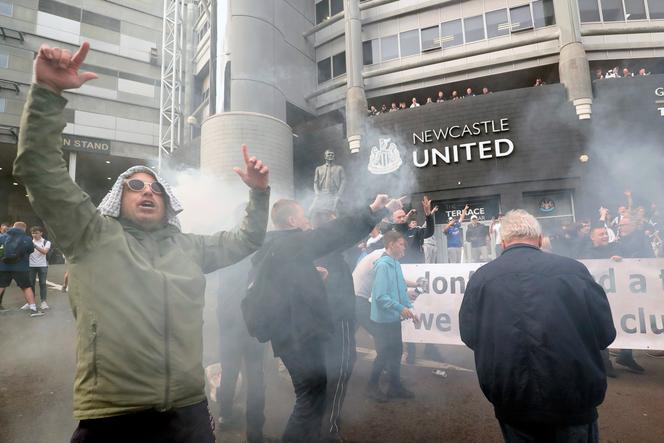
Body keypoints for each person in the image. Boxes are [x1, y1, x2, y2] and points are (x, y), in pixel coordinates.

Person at [15, 42, 271, 443]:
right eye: (134, 185)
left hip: (189, 411)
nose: (147, 192)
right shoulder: (93, 235)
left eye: (156, 188)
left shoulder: (187, 247)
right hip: (115, 416)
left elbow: (247, 239)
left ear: (167, 202)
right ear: (120, 198)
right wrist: (48, 94)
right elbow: (38, 169)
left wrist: (258, 194)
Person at [251, 195, 400, 443]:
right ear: (291, 221)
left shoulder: (276, 246)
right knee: (309, 398)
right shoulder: (290, 243)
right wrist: (373, 209)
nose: (307, 221)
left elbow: (281, 285)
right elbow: (333, 234)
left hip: (293, 332)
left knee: (315, 392)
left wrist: (311, 279)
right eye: (302, 216)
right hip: (295, 335)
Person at [459, 210, 616, 443]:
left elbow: (470, 335)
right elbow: (605, 333)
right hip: (572, 396)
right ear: (540, 240)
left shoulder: (482, 278)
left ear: (502, 243)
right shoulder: (573, 270)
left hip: (512, 397)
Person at [312, 210, 357, 443]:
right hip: (338, 322)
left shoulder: (318, 250)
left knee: (325, 373)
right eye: (333, 220)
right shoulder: (328, 251)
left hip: (325, 322)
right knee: (341, 370)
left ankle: (320, 421)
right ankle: (329, 429)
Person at [215, 255, 269, 443]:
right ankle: (255, 434)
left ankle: (225, 416)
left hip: (229, 328)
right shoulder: (255, 263)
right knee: (255, 376)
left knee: (229, 371)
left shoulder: (225, 266)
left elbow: (220, 302)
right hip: (251, 328)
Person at [367, 231, 418, 402]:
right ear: (390, 244)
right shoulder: (383, 265)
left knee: (396, 353)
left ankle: (395, 387)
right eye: (402, 244)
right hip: (382, 321)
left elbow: (401, 290)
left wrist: (409, 309)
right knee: (383, 355)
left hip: (393, 318)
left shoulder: (395, 263)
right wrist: (400, 308)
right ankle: (371, 387)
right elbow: (380, 296)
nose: (405, 247)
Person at [0, 222, 43, 317]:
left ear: (13, 227)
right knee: (26, 287)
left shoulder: (2, 237)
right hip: (21, 267)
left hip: (3, 267)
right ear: (24, 229)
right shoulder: (26, 239)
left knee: (1, 286)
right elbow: (31, 250)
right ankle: (33, 309)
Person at [29, 226, 51, 310]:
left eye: (36, 233)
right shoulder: (29, 242)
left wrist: (34, 246)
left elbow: (45, 251)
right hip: (31, 265)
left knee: (42, 283)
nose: (34, 235)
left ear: (41, 233)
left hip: (42, 265)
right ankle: (31, 302)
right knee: (30, 284)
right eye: (33, 233)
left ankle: (43, 302)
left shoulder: (46, 242)